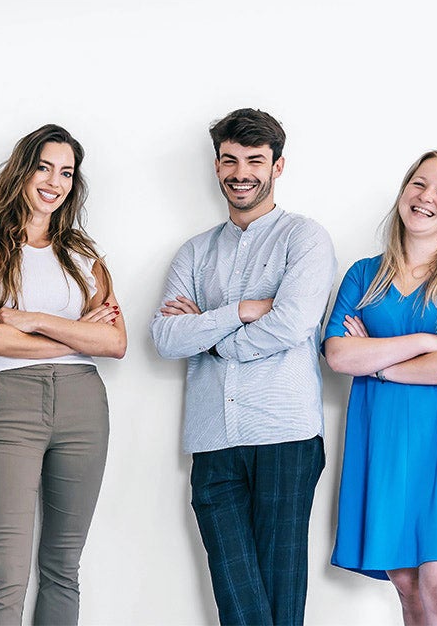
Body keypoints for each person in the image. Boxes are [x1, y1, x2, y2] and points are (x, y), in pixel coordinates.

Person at [150, 108, 336, 625]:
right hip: (213, 440)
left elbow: (293, 323)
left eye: (255, 160)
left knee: (279, 591)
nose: (241, 172)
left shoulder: (305, 238)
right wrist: (240, 310)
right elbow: (165, 336)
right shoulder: (193, 251)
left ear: (278, 167)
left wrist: (208, 335)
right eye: (230, 159)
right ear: (216, 166)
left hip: (285, 435)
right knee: (236, 598)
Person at [0, 124, 126, 625]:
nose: (55, 181)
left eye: (67, 172)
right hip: (12, 402)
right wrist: (74, 334)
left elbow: (115, 342)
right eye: (44, 167)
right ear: (22, 169)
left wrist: (36, 320)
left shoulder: (84, 254)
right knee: (6, 574)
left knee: (63, 567)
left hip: (83, 407)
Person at [323, 150, 437, 625]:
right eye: (418, 184)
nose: (426, 197)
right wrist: (427, 342)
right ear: (403, 192)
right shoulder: (364, 275)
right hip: (383, 442)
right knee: (411, 594)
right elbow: (340, 354)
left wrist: (381, 363)